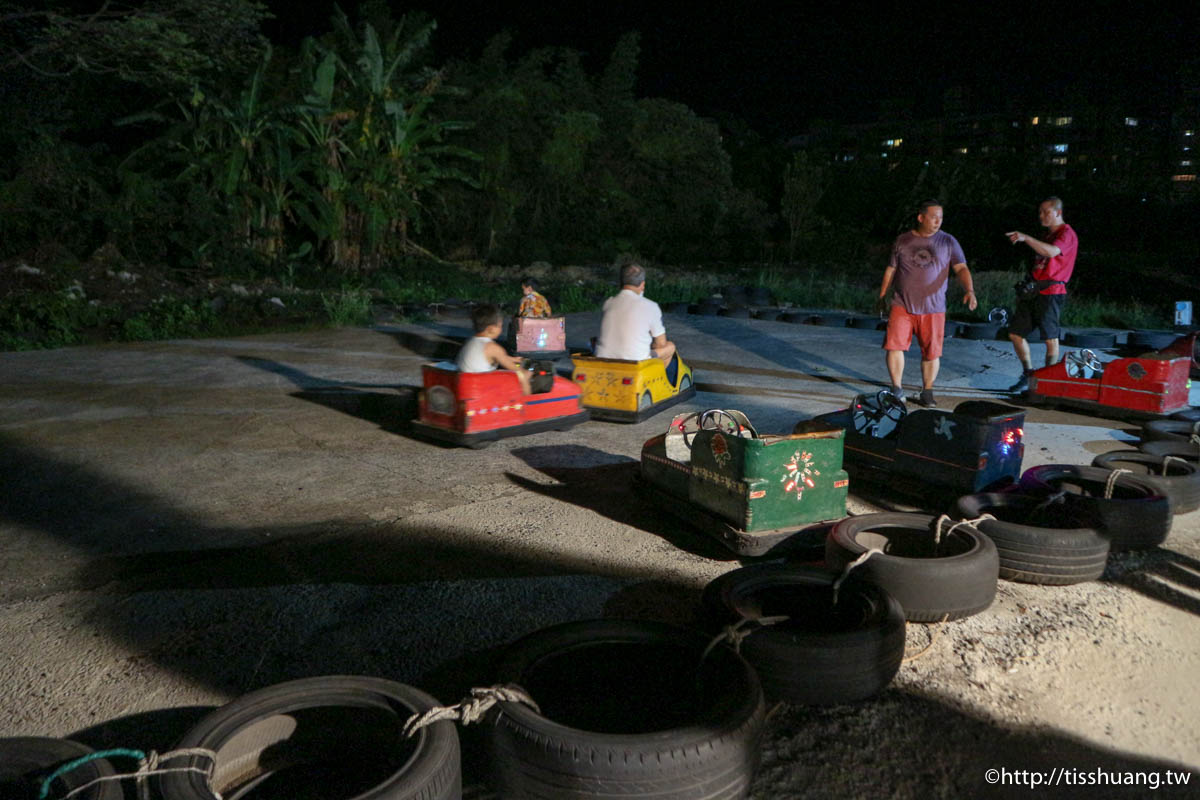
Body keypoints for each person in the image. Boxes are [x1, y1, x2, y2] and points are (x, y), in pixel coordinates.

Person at [878, 200, 977, 408]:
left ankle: (927, 391)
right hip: (902, 304)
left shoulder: (948, 242)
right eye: (933, 217)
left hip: (934, 307)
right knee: (894, 347)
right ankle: (897, 389)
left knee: (932, 352)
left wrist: (970, 290)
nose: (937, 221)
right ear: (921, 217)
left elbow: (961, 268)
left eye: (940, 217)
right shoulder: (903, 241)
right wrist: (882, 295)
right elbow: (891, 269)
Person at [1004, 197, 1079, 393]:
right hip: (1034, 290)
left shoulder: (1066, 234)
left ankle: (1046, 382)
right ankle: (1029, 374)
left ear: (1058, 213)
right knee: (1015, 333)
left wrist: (1026, 238)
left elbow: (1053, 252)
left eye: (1046, 212)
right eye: (1040, 212)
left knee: (1050, 338)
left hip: (1052, 291)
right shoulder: (1047, 235)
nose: (1042, 216)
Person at [594, 262, 677, 370]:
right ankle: (656, 379)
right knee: (670, 346)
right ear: (642, 284)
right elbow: (661, 343)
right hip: (635, 362)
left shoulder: (608, 303)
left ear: (621, 282)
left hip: (603, 358)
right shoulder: (651, 306)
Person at [457, 303, 531, 394]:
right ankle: (528, 403)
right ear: (491, 329)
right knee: (522, 375)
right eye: (500, 326)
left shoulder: (472, 341)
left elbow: (500, 358)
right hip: (479, 391)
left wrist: (513, 359)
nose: (501, 329)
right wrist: (527, 373)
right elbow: (514, 368)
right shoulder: (493, 347)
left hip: (466, 386)